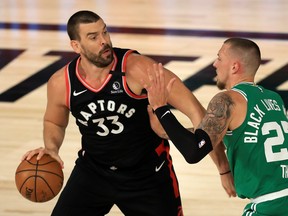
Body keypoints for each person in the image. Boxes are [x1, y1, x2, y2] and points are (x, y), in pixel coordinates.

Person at [21, 10, 234, 216]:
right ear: (76, 46)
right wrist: (51, 148)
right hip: (94, 172)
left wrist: (223, 169)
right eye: (93, 37)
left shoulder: (138, 68)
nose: (103, 41)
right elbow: (54, 122)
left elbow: (197, 112)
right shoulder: (62, 82)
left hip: (147, 175)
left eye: (105, 32)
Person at [144, 37, 288, 215]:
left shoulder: (227, 100)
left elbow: (194, 151)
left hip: (270, 205)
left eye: (219, 58)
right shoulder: (274, 99)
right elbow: (227, 134)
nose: (214, 64)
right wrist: (167, 131)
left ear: (234, 67)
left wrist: (161, 109)